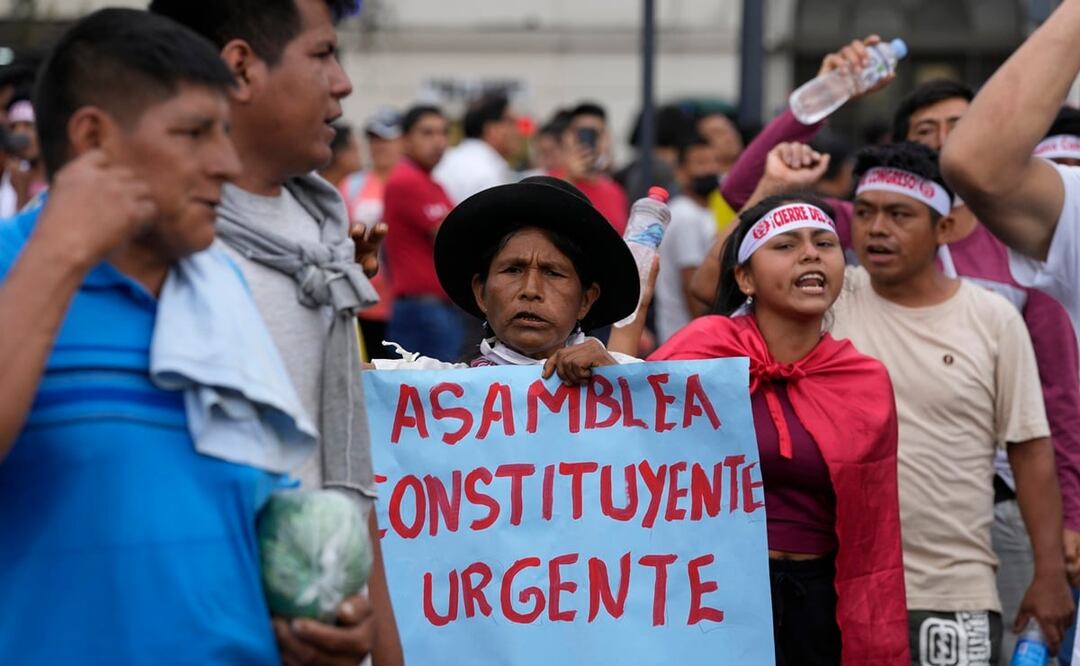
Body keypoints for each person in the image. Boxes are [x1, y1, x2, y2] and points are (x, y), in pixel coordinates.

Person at [0, 9, 307, 663]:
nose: (225, 163)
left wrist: (301, 627)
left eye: (225, 132)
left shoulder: (218, 291)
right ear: (93, 139)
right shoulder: (12, 271)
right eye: (195, 133)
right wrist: (60, 255)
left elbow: (249, 518)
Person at [148, 0, 398, 663]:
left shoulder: (323, 235)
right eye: (322, 54)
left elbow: (341, 464)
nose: (343, 82)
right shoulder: (139, 242)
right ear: (240, 68)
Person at [831, 141, 1074, 662]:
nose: (877, 229)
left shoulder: (991, 318)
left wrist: (1049, 574)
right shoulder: (829, 300)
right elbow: (718, 285)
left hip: (955, 594)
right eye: (866, 212)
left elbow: (1030, 450)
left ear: (944, 229)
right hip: (839, 589)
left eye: (900, 215)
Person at [650, 193, 908, 665]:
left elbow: (874, 529)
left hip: (819, 606)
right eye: (786, 245)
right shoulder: (704, 352)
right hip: (712, 598)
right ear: (745, 278)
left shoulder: (863, 379)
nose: (810, 253)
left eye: (825, 243)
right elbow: (630, 430)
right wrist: (602, 365)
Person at [375, 175, 640, 375]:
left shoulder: (628, 377)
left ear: (585, 300)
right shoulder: (434, 390)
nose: (531, 290)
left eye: (553, 273)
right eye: (513, 270)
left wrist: (617, 384)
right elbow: (342, 382)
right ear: (481, 293)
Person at [381, 103, 461, 364]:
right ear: (405, 140)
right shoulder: (407, 181)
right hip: (422, 310)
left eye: (442, 133)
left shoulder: (431, 183)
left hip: (433, 308)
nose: (438, 141)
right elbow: (452, 237)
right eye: (427, 133)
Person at [342, 108, 403, 361]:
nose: (379, 146)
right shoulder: (353, 185)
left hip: (403, 301)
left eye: (386, 139)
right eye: (374, 139)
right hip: (365, 301)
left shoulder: (410, 182)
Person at [655, 134, 720, 343]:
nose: (710, 170)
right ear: (681, 173)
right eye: (701, 163)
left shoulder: (706, 213)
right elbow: (692, 286)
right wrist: (709, 338)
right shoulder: (685, 215)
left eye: (713, 162)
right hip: (687, 340)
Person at [551, 101, 629, 233]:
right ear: (566, 138)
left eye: (595, 134)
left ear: (606, 139)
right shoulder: (548, 183)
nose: (588, 143)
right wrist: (570, 179)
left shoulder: (616, 192)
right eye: (580, 133)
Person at [433, 93, 518, 204]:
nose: (517, 131)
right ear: (493, 129)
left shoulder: (444, 160)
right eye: (511, 122)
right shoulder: (488, 173)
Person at [319, 122, 363, 192]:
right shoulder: (315, 193)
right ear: (339, 153)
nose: (359, 156)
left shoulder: (354, 189)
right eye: (354, 149)